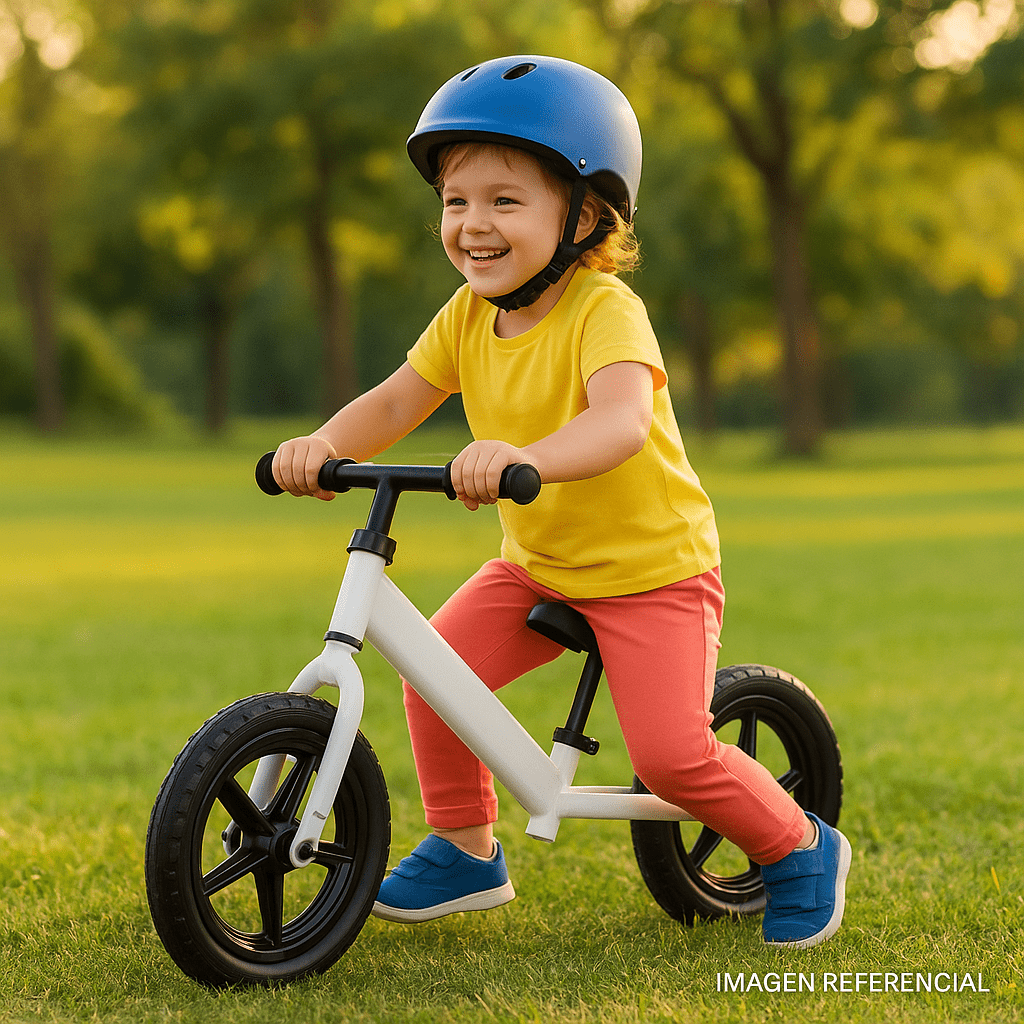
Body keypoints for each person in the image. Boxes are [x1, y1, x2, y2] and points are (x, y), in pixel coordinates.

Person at [271, 55, 851, 949]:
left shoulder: (604, 310)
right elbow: (394, 402)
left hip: (653, 572)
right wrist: (324, 446)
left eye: (505, 201)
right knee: (434, 674)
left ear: (583, 215)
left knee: (670, 756)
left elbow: (620, 423)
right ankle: (468, 850)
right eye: (456, 202)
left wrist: (521, 455)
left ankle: (801, 844)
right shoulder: (466, 314)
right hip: (539, 567)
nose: (473, 225)